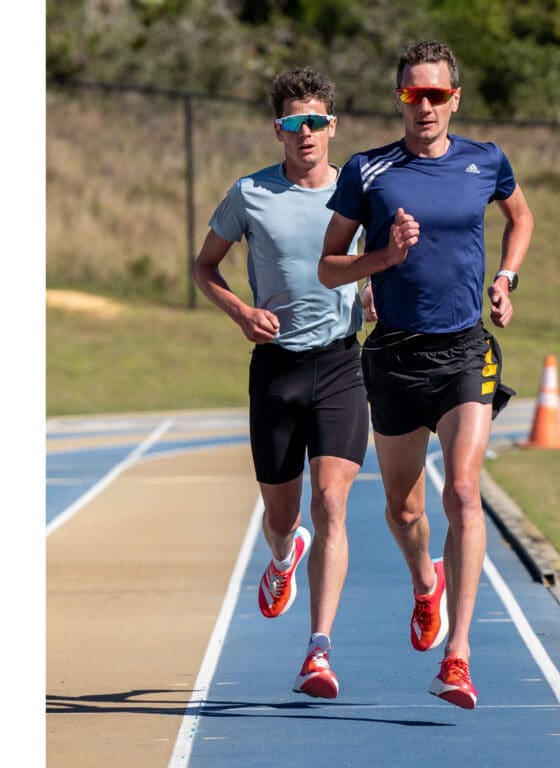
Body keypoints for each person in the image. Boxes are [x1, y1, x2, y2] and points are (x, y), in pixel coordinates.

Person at [319, 40, 534, 709]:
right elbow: (330, 266)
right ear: (400, 99)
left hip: (465, 351)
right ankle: (424, 582)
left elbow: (520, 217)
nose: (426, 106)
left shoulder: (485, 160)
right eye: (414, 94)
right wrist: (382, 256)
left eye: (437, 94)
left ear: (455, 98)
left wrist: (505, 278)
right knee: (404, 507)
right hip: (394, 357)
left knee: (465, 494)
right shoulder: (368, 170)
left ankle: (458, 656)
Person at [193, 67, 368, 700]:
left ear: (332, 126)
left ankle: (318, 651)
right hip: (276, 368)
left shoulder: (359, 190)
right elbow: (205, 265)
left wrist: (373, 292)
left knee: (332, 502)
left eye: (317, 121)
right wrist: (241, 312)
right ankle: (280, 556)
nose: (307, 133)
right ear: (279, 131)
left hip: (342, 364)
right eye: (295, 124)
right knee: (283, 514)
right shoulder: (250, 193)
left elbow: (374, 261)